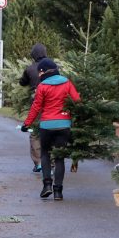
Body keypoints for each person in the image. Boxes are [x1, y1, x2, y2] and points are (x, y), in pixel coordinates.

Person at [21, 58, 79, 201]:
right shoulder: (67, 82)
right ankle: (58, 192)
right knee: (59, 158)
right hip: (64, 125)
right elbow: (77, 100)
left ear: (43, 71)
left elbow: (36, 107)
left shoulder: (42, 86)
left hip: (46, 125)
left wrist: (27, 124)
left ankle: (47, 185)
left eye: (39, 72)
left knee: (45, 154)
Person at [18, 43, 48, 172]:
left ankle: (38, 162)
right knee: (49, 133)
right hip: (52, 104)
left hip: (36, 104)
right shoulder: (53, 67)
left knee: (35, 133)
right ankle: (50, 163)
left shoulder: (30, 69)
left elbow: (22, 82)